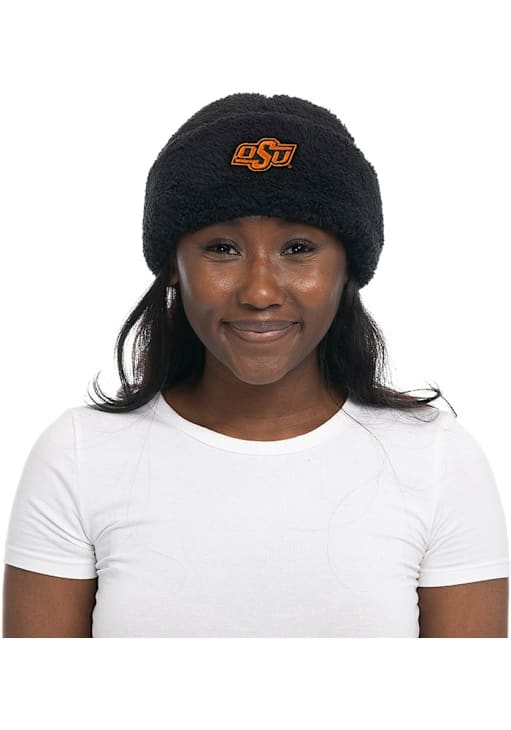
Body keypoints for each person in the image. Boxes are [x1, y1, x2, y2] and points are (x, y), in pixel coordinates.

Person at [3, 93, 509, 637]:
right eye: (222, 248)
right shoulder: (78, 455)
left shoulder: (436, 459)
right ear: (172, 266)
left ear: (349, 268)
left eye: (298, 248)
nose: (260, 292)